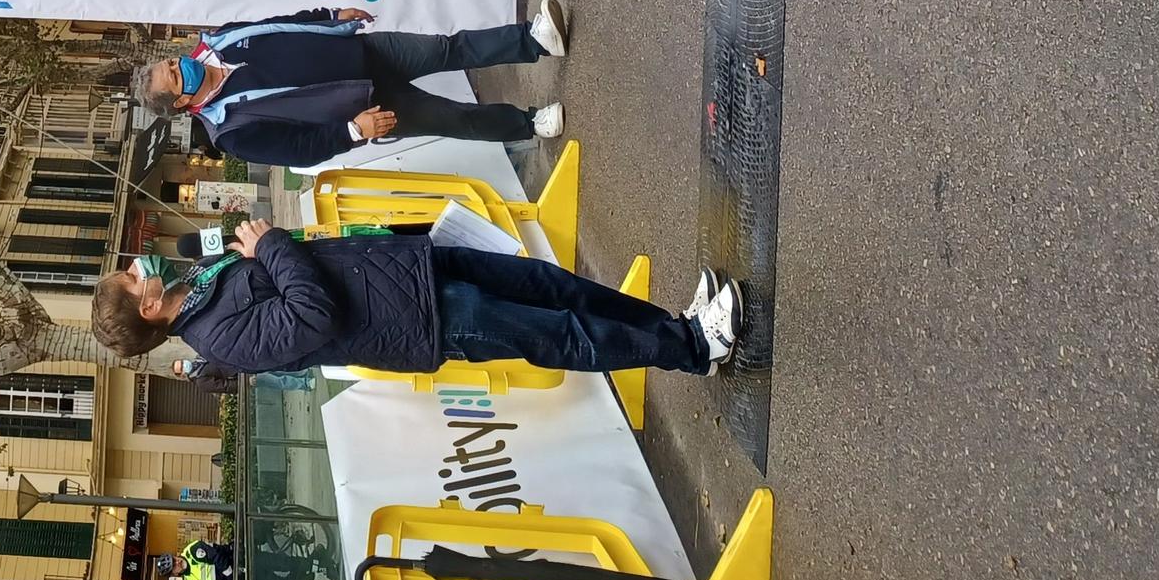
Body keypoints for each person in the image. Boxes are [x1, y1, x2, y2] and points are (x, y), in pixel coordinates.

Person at [91, 219, 746, 381]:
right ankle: (694, 349)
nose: (137, 265)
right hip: (422, 319)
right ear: (147, 310)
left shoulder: (205, 283)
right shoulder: (221, 340)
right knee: (561, 333)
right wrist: (273, 247)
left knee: (555, 287)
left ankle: (678, 325)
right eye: (131, 278)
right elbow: (312, 317)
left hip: (415, 269)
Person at [132, 0, 573, 162]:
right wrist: (352, 132)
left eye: (173, 63)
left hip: (363, 52)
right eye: (175, 77)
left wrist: (327, 17)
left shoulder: (222, 39)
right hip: (365, 109)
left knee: (446, 48)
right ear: (181, 104)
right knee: (456, 119)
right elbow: (298, 150)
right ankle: (530, 124)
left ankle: (534, 40)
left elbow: (278, 22)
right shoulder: (231, 131)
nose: (180, 66)